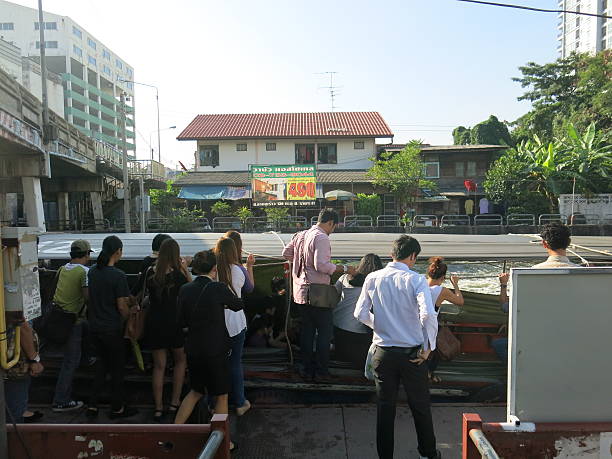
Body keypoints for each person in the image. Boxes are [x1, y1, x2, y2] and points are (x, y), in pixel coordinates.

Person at [354, 235, 441, 459]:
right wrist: (428, 347)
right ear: (412, 256)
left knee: (385, 409)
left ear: (392, 254)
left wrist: (380, 325)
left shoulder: (373, 277)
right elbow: (428, 314)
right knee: (420, 407)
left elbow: (360, 314)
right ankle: (428, 454)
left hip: (382, 353)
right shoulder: (416, 279)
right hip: (412, 355)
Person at [282, 208, 356, 382]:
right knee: (324, 333)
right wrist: (344, 268)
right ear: (330, 223)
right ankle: (322, 371)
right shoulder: (321, 237)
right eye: (334, 227)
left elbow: (285, 254)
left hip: (300, 292)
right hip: (318, 294)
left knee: (307, 332)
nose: (332, 231)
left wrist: (300, 264)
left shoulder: (300, 234)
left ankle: (306, 368)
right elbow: (321, 265)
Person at [174, 250, 244, 425]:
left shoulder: (185, 289)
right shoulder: (218, 287)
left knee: (195, 392)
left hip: (193, 349)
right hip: (215, 350)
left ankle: (175, 431)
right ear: (214, 268)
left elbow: (181, 320)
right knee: (221, 396)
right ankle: (222, 440)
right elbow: (238, 305)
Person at [86, 235, 137, 419]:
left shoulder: (92, 271)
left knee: (100, 367)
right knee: (117, 370)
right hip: (112, 329)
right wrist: (130, 317)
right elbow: (122, 306)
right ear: (118, 252)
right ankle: (117, 408)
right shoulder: (118, 275)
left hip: (95, 327)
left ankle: (92, 406)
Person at [145, 238, 191, 422]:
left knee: (159, 366)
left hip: (154, 323)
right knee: (180, 361)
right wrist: (185, 269)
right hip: (174, 324)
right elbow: (190, 288)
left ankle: (157, 408)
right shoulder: (178, 276)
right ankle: (174, 402)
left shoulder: (151, 273)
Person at [51, 239, 93, 412]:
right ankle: (61, 400)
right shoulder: (85, 272)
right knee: (70, 362)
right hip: (72, 321)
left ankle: (88, 356)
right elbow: (88, 298)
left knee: (86, 329)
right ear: (87, 254)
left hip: (58, 318)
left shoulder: (62, 268)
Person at [215, 237, 251, 416]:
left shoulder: (213, 272)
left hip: (216, 325)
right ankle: (239, 402)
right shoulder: (237, 270)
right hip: (236, 323)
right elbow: (248, 288)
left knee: (216, 364)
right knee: (235, 364)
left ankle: (213, 402)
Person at [333, 253, 383, 368]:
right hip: (359, 334)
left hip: (338, 326)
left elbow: (334, 296)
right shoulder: (377, 283)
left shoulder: (345, 278)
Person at [425, 257, 464, 383]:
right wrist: (456, 284)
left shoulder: (419, 284)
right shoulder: (442, 291)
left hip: (415, 324)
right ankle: (430, 373)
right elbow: (460, 301)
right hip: (431, 325)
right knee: (436, 349)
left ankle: (425, 373)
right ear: (443, 277)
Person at [4, 314, 44, 424]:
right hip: (12, 365)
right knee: (13, 416)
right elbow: (22, 326)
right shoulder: (11, 297)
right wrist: (33, 359)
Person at [223, 230, 256, 296]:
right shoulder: (238, 269)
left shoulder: (216, 264)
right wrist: (249, 266)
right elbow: (249, 288)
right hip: (234, 303)